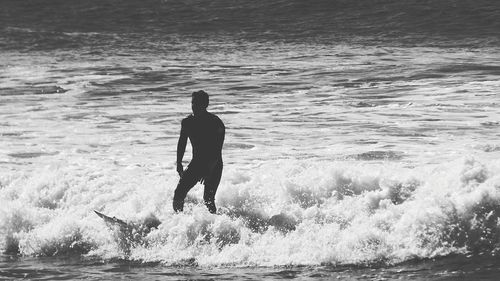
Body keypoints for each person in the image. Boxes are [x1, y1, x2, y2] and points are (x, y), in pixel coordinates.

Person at [173, 90, 225, 214]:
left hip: (215, 164)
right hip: (196, 163)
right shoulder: (187, 123)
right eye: (193, 103)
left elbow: (216, 151)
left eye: (197, 104)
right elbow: (182, 143)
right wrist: (179, 162)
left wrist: (208, 170)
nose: (194, 106)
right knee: (178, 194)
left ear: (205, 105)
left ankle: (216, 225)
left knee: (208, 199)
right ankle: (179, 222)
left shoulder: (215, 123)